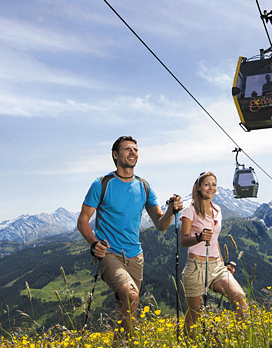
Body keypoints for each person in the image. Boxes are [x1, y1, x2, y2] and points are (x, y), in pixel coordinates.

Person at [77, 136, 182, 335]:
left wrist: (170, 210)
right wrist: (94, 243)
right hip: (109, 253)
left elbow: (160, 224)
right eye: (127, 149)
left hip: (136, 256)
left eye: (135, 149)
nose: (132, 152)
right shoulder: (102, 184)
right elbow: (82, 221)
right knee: (131, 295)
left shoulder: (144, 186)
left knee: (127, 307)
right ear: (115, 155)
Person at [179, 171, 247, 336]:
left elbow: (215, 239)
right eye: (207, 184)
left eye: (214, 184)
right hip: (196, 267)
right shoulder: (190, 210)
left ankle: (241, 341)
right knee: (194, 315)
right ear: (199, 187)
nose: (211, 188)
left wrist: (223, 264)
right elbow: (183, 240)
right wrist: (199, 237)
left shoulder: (217, 209)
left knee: (240, 298)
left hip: (216, 265)